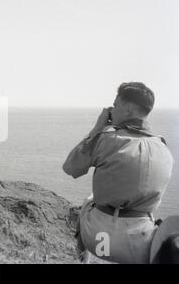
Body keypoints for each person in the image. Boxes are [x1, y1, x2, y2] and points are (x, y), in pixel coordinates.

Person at [63, 82, 174, 264]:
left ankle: (82, 261)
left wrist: (97, 129)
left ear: (128, 110)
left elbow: (70, 167)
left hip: (100, 240)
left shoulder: (107, 139)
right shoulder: (163, 148)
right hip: (141, 245)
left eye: (115, 105)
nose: (111, 110)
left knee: (88, 201)